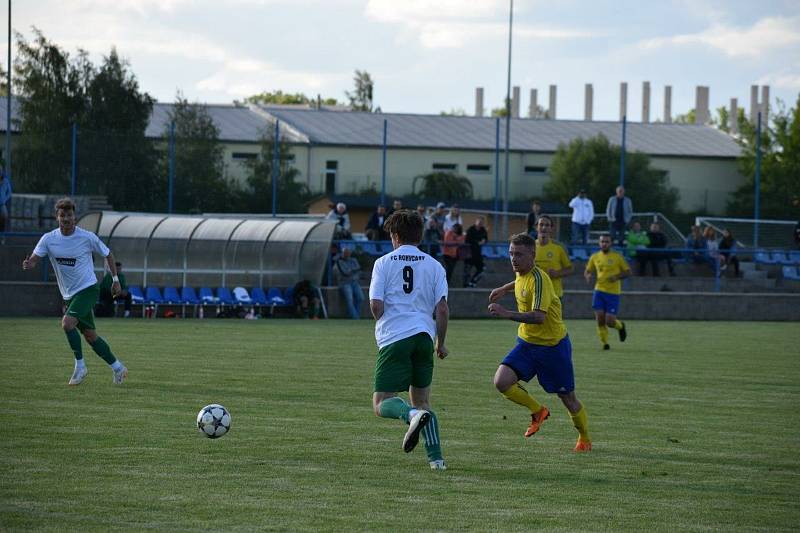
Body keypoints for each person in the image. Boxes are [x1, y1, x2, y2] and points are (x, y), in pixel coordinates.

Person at [487, 233, 592, 453]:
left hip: (553, 347)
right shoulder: (522, 274)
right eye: (511, 254)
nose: (513, 259)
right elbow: (518, 281)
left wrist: (505, 313)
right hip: (527, 343)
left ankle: (584, 437)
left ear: (532, 255)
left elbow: (538, 317)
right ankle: (538, 411)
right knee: (501, 381)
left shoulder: (540, 279)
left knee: (568, 398)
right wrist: (504, 289)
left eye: (519, 254)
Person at [369, 209, 450, 470]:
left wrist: (379, 318)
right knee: (424, 401)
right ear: (420, 235)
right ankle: (437, 460)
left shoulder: (383, 263)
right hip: (424, 337)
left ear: (394, 235)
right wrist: (440, 342)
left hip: (395, 337)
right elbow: (443, 309)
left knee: (381, 403)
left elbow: (376, 305)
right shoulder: (435, 265)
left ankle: (411, 415)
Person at [21, 197, 128, 385]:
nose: (66, 219)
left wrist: (115, 280)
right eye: (63, 215)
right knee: (90, 336)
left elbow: (108, 254)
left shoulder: (86, 237)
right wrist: (29, 263)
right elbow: (35, 258)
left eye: (69, 215)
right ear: (57, 217)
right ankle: (118, 367)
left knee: (67, 323)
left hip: (88, 289)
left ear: (74, 217)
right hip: (69, 295)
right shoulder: (48, 239)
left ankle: (80, 367)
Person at [584, 234, 631, 350]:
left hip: (613, 293)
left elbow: (628, 272)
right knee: (600, 318)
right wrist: (588, 275)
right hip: (599, 291)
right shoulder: (595, 257)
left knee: (609, 321)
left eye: (607, 242)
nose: (604, 244)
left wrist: (616, 277)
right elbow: (587, 270)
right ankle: (605, 343)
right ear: (599, 243)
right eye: (602, 242)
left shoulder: (617, 257)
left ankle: (620, 327)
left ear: (611, 243)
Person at [533, 216, 573, 304]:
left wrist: (557, 273)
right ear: (536, 227)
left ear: (551, 228)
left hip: (554, 294)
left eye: (547, 225)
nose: (544, 228)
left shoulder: (558, 247)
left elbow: (569, 269)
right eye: (541, 225)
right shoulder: (530, 247)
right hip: (534, 293)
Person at [335, 246, 364, 319]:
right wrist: (354, 270)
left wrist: (352, 271)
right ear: (342, 253)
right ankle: (356, 318)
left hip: (354, 282)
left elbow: (359, 270)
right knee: (349, 300)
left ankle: (354, 315)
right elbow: (345, 272)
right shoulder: (339, 261)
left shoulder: (353, 260)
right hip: (344, 283)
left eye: (348, 253)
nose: (347, 254)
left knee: (361, 298)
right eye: (345, 253)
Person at [463, 216, 488, 288]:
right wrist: (477, 242)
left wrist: (484, 241)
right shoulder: (471, 229)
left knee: (482, 268)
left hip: (478, 254)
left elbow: (486, 239)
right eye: (479, 222)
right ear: (476, 222)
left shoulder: (483, 230)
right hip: (469, 253)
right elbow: (467, 240)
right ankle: (465, 285)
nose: (480, 224)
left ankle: (472, 282)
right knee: (467, 270)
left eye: (482, 222)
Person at [0, 165, 11, 232]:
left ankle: (2, 235)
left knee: (5, 216)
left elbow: (9, 192)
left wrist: (4, 199)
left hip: (2, 204)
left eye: (0, 170)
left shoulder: (5, 181)